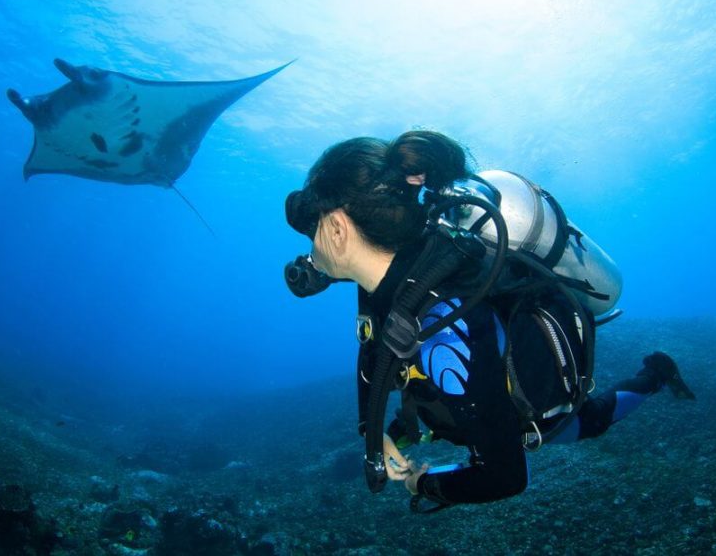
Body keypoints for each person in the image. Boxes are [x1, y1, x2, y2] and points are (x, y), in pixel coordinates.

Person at [283, 130, 695, 510]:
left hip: (525, 412)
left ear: (337, 228)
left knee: (593, 420)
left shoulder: (443, 327)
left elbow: (505, 477)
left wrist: (424, 484)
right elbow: (374, 351)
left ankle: (656, 372)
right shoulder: (386, 284)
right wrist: (378, 433)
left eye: (312, 229)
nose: (309, 248)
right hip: (455, 403)